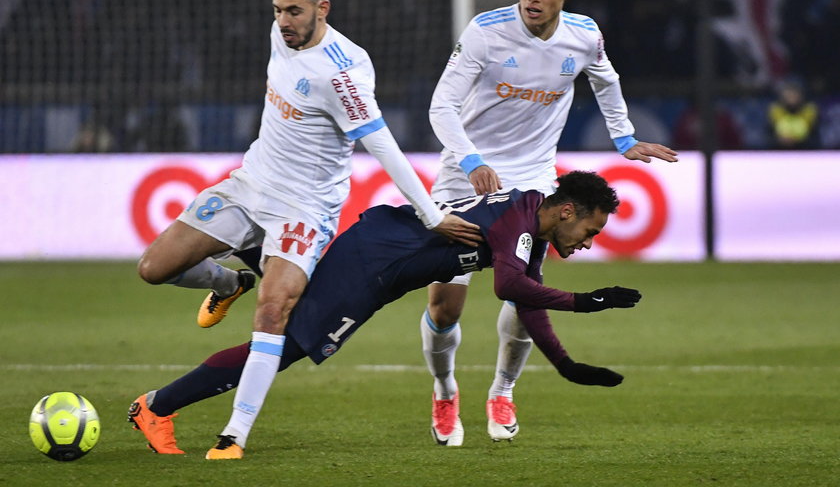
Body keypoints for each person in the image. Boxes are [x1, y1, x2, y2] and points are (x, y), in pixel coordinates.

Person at [131, 0, 482, 458]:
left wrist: (431, 214)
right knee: (153, 267)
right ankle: (229, 282)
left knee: (273, 312)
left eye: (293, 11)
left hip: (304, 209)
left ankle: (233, 436)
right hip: (250, 184)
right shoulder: (282, 36)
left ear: (323, 8)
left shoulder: (344, 74)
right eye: (277, 10)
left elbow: (383, 146)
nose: (283, 22)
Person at [128, 170, 642, 458]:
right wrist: (589, 301)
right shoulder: (519, 222)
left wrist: (566, 365)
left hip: (380, 253)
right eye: (591, 232)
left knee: (285, 314)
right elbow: (510, 286)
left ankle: (243, 274)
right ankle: (157, 407)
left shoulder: (529, 220)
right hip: (374, 264)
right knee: (284, 347)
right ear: (568, 211)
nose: (589, 244)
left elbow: (525, 297)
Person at [421, 0, 678, 446]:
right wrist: (471, 160)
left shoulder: (584, 36)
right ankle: (445, 388)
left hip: (533, 182)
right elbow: (441, 106)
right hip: (465, 177)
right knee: (445, 305)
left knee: (524, 295)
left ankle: (503, 389)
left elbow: (607, 79)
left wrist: (623, 136)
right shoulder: (485, 32)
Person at [767, 77, 819, 149]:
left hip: (805, 153)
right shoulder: (775, 109)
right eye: (788, 91)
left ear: (802, 94)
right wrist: (779, 140)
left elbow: (816, 138)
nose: (791, 95)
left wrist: (797, 140)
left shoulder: (810, 110)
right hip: (778, 152)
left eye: (795, 92)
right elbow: (767, 136)